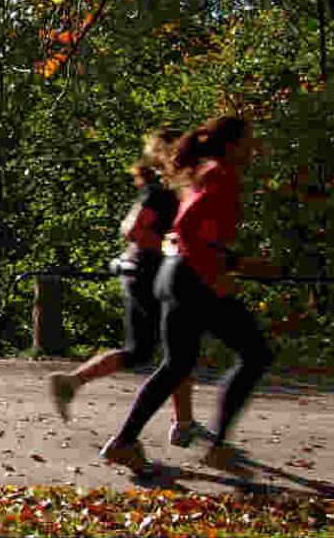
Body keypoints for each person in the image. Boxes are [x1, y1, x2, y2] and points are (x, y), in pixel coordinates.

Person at [100, 116, 275, 475]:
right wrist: (220, 272)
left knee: (177, 364)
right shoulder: (219, 174)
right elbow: (190, 227)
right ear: (232, 145)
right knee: (255, 353)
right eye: (248, 140)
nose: (253, 147)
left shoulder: (200, 174)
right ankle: (217, 446)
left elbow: (189, 232)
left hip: (176, 273)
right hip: (193, 278)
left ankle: (124, 443)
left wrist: (225, 263)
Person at [47, 128, 208, 449]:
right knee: (174, 352)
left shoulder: (164, 190)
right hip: (149, 276)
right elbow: (133, 230)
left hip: (146, 274)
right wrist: (171, 250)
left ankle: (182, 422)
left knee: (158, 352)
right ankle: (181, 424)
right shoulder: (161, 192)